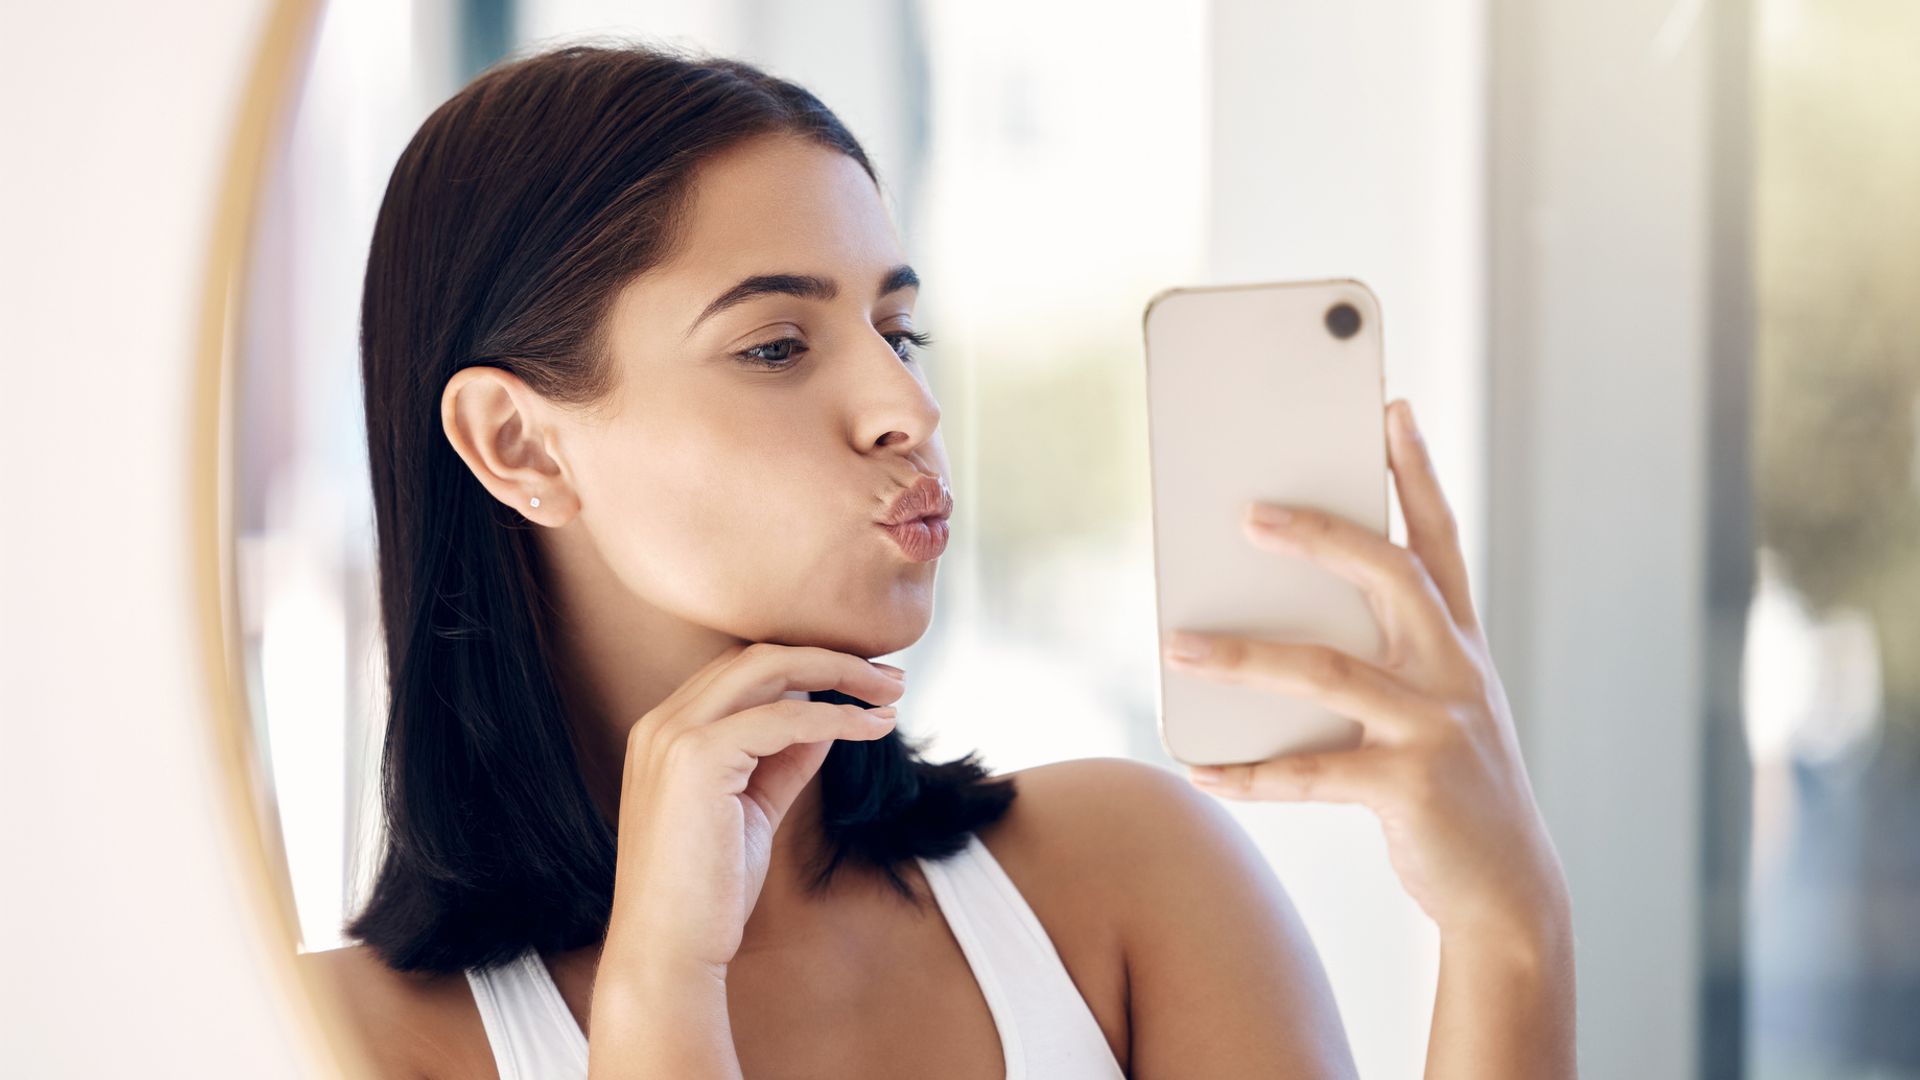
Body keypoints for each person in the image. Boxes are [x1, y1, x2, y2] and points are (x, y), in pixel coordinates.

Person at [300, 40, 1576, 1080]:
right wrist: (660, 994)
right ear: (518, 443)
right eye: (776, 346)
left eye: (898, 329)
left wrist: (1510, 931)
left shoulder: (1127, 881)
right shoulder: (331, 1041)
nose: (908, 408)